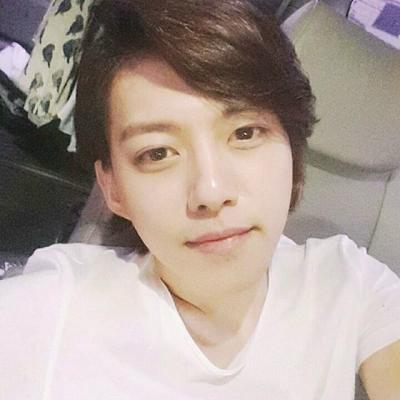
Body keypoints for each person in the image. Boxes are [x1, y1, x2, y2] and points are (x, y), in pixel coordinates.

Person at [1, 1, 399, 399]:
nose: (211, 191)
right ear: (113, 189)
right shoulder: (53, 315)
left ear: (292, 150)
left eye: (245, 133)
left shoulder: (350, 286)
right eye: (157, 153)